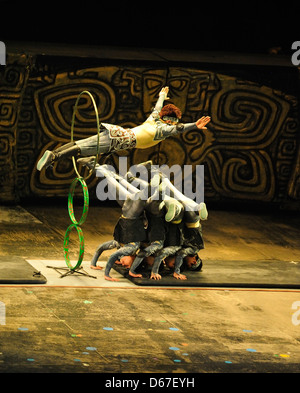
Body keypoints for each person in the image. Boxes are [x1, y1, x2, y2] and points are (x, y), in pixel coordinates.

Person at [37, 86, 211, 171]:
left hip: (117, 133)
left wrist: (161, 96)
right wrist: (194, 125)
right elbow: (178, 129)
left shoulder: (152, 119)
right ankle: (55, 155)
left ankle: (53, 155)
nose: (173, 124)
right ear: (167, 119)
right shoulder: (162, 129)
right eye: (172, 120)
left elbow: (157, 108)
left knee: (82, 143)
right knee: (85, 148)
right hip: (121, 139)